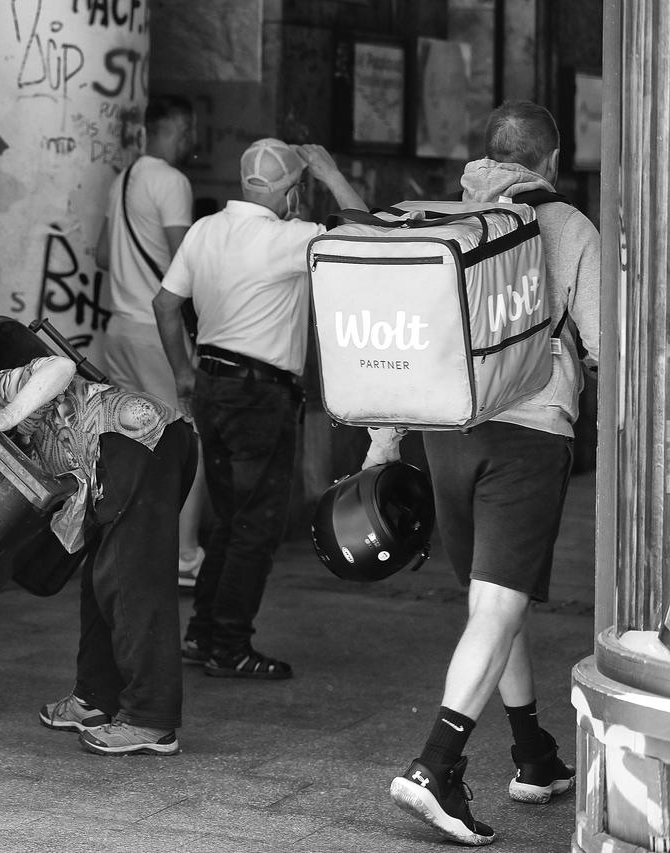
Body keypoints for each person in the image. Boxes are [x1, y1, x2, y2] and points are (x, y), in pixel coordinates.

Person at [371, 100, 600, 846]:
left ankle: (534, 755)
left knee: (495, 600)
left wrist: (384, 438)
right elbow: (604, 341)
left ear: (488, 154)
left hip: (449, 433)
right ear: (551, 158)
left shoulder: (451, 219)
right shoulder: (565, 226)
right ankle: (436, 764)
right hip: (528, 440)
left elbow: (412, 339)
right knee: (498, 606)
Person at [151, 138, 366, 680]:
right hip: (260, 396)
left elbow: (165, 304)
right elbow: (366, 230)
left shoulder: (204, 230)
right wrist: (331, 170)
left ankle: (203, 633)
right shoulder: (289, 239)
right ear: (292, 192)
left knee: (229, 519)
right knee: (256, 526)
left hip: (211, 386)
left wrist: (182, 370)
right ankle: (228, 644)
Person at [0, 354, 196, 756]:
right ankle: (95, 698)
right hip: (123, 455)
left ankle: (151, 721)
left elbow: (61, 367)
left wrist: (2, 416)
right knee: (101, 579)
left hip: (137, 441)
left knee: (131, 580)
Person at [94, 94, 208, 588]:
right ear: (176, 130)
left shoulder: (123, 180)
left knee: (127, 443)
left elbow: (102, 254)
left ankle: (126, 547)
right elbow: (186, 261)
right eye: (188, 133)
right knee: (188, 439)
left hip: (118, 328)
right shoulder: (171, 181)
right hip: (154, 331)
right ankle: (184, 558)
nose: (191, 142)